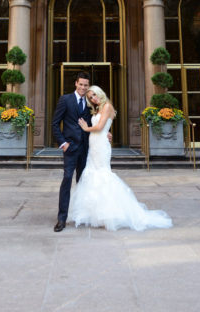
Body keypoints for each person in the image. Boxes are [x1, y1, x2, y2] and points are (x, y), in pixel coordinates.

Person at [68, 85, 173, 231]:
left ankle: (108, 214)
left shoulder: (107, 107)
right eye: (90, 97)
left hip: (101, 145)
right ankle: (94, 213)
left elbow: (99, 127)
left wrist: (86, 128)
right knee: (92, 172)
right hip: (94, 144)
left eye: (94, 95)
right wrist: (106, 131)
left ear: (101, 93)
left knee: (103, 174)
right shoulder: (98, 109)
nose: (93, 99)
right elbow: (103, 127)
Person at [52, 71, 92, 232]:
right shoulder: (65, 99)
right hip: (70, 148)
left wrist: (106, 132)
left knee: (83, 182)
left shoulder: (91, 101)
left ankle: (81, 215)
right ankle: (62, 218)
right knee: (67, 179)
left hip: (86, 148)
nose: (83, 87)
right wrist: (63, 143)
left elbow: (96, 121)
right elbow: (55, 124)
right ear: (76, 83)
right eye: (81, 84)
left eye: (86, 85)